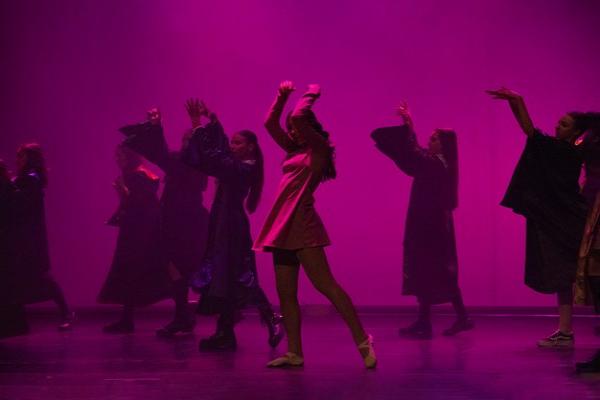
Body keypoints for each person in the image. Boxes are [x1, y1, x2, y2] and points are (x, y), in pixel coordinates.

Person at [253, 81, 376, 368]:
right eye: (291, 128)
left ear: (309, 127)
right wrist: (280, 96)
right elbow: (269, 123)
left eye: (297, 127)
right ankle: (294, 352)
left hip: (303, 223)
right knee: (286, 294)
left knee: (325, 285)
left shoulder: (319, 149)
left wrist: (310, 93)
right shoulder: (292, 148)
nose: (293, 131)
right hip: (281, 225)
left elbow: (298, 116)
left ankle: (363, 340)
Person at [487, 88, 589, 348]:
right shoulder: (565, 151)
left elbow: (530, 131)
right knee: (563, 278)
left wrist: (517, 100)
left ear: (576, 133)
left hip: (566, 222)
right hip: (563, 220)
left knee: (568, 277)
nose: (557, 126)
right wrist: (515, 102)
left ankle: (566, 332)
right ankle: (565, 332)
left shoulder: (565, 151)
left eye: (564, 124)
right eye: (559, 122)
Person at [182, 99, 283, 351]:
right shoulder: (237, 164)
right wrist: (212, 119)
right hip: (224, 224)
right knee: (226, 278)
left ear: (250, 147)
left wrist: (197, 125)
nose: (232, 146)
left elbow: (214, 158)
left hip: (231, 228)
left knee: (239, 276)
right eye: (233, 142)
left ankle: (270, 318)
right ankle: (225, 332)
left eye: (238, 143)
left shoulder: (243, 168)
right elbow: (220, 152)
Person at [371, 101, 472, 339]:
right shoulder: (437, 163)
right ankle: (433, 320)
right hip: (431, 225)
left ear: (444, 145)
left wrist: (408, 127)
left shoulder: (435, 164)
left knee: (435, 271)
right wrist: (409, 125)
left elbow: (413, 155)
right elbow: (415, 152)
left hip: (431, 227)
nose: (430, 141)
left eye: (434, 139)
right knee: (429, 271)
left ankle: (452, 319)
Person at [118, 107, 210, 337]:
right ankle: (183, 317)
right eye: (185, 139)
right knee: (175, 268)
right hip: (175, 220)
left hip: (187, 222)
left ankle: (186, 317)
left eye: (191, 140)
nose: (187, 143)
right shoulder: (185, 160)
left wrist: (157, 128)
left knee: (183, 268)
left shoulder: (195, 163)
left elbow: (162, 156)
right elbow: (163, 156)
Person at [98, 143, 170, 333]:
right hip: (140, 230)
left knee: (133, 270)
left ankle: (128, 319)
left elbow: (139, 203)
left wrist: (123, 192)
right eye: (117, 156)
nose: (117, 160)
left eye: (121, 156)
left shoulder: (136, 175)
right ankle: (127, 318)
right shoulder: (141, 173)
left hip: (138, 232)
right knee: (133, 272)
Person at [9, 144, 74, 331]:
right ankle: (18, 319)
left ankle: (66, 312)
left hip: (29, 238)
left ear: (31, 159)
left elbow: (21, 204)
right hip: (23, 236)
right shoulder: (26, 179)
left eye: (22, 157)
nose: (18, 160)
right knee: (20, 277)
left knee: (41, 277)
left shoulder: (31, 179)